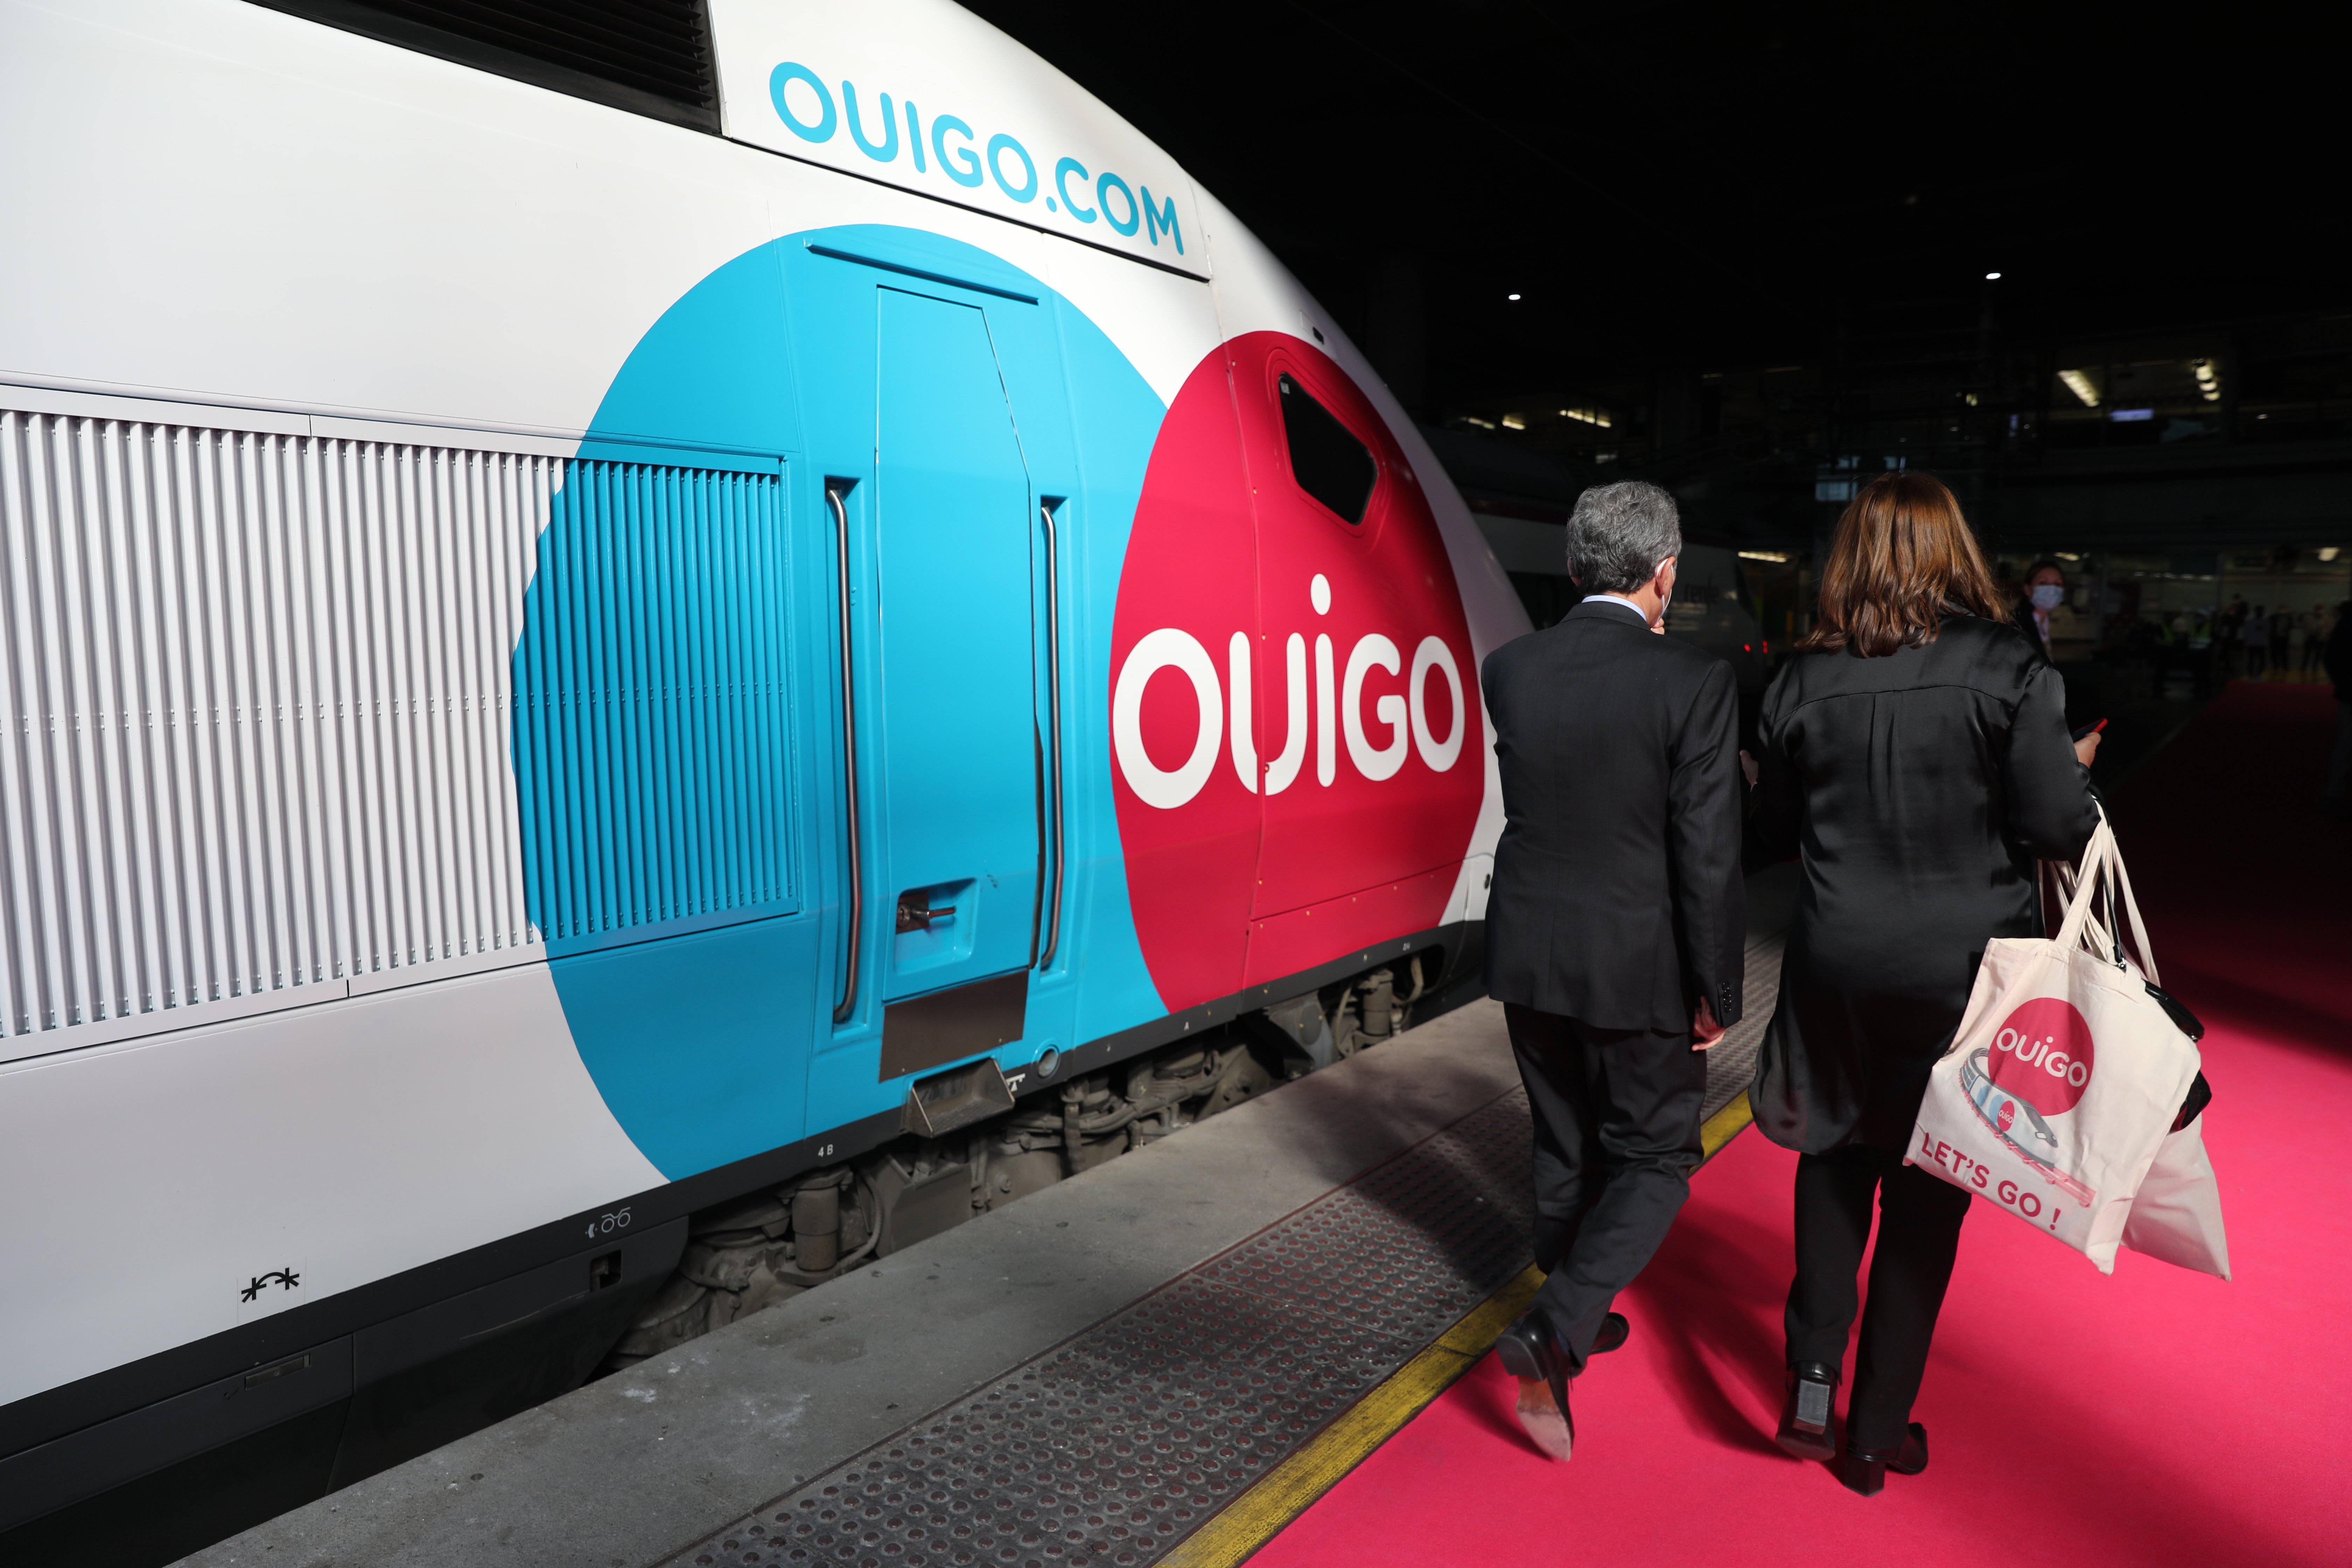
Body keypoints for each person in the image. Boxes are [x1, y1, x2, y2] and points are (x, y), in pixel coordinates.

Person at [1748, 472, 2098, 1496]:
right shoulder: (2007, 665)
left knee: (1831, 1154)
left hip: (1833, 963)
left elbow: (1767, 836)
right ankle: (1873, 1434)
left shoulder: (1800, 678)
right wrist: (2068, 767)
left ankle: (1810, 1383)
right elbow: (2053, 827)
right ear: (1955, 550)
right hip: (1962, 973)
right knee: (1926, 1188)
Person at [1479, 479, 1746, 1463]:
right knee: (1658, 1158)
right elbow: (1708, 857)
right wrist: (1719, 989)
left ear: (1574, 565)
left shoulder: (1510, 669)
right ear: (1666, 571)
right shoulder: (1693, 682)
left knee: (1561, 1139)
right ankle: (1559, 1327)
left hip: (1529, 952)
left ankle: (1570, 1301)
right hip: (1638, 964)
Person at [2326, 601, 2352, 821]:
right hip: (2349, 690)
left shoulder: (2347, 623)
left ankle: (2333, 794)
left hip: (2349, 692)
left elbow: (2333, 656)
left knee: (2345, 746)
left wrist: (2342, 682)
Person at [2242, 605, 2268, 680]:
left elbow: (2267, 632)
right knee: (2252, 661)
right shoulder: (2251, 622)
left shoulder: (2264, 622)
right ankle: (2253, 676)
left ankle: (2257, 675)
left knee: (2258, 661)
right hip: (2255, 644)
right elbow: (2246, 633)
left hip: (2258, 644)